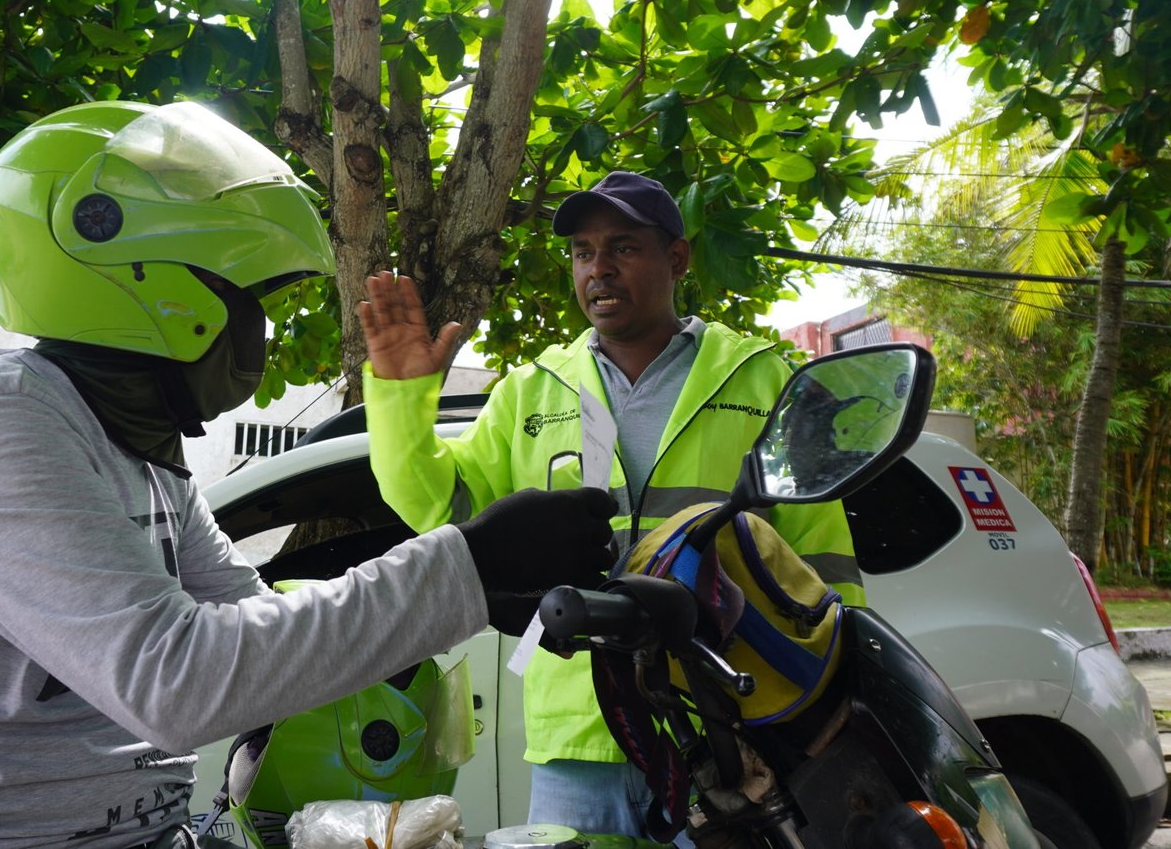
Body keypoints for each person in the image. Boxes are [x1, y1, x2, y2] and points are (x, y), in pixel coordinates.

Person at [0, 100, 618, 849]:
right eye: (247, 297)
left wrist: (472, 600)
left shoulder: (138, 448)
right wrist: (468, 566)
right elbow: (179, 681)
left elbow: (253, 619)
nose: (257, 329)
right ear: (149, 282)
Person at [358, 171, 858, 841]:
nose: (599, 270)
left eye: (623, 248)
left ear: (676, 258)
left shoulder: (766, 380)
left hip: (732, 729)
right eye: (582, 253)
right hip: (579, 735)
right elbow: (440, 508)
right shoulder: (530, 392)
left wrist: (831, 707)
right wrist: (398, 400)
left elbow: (822, 562)